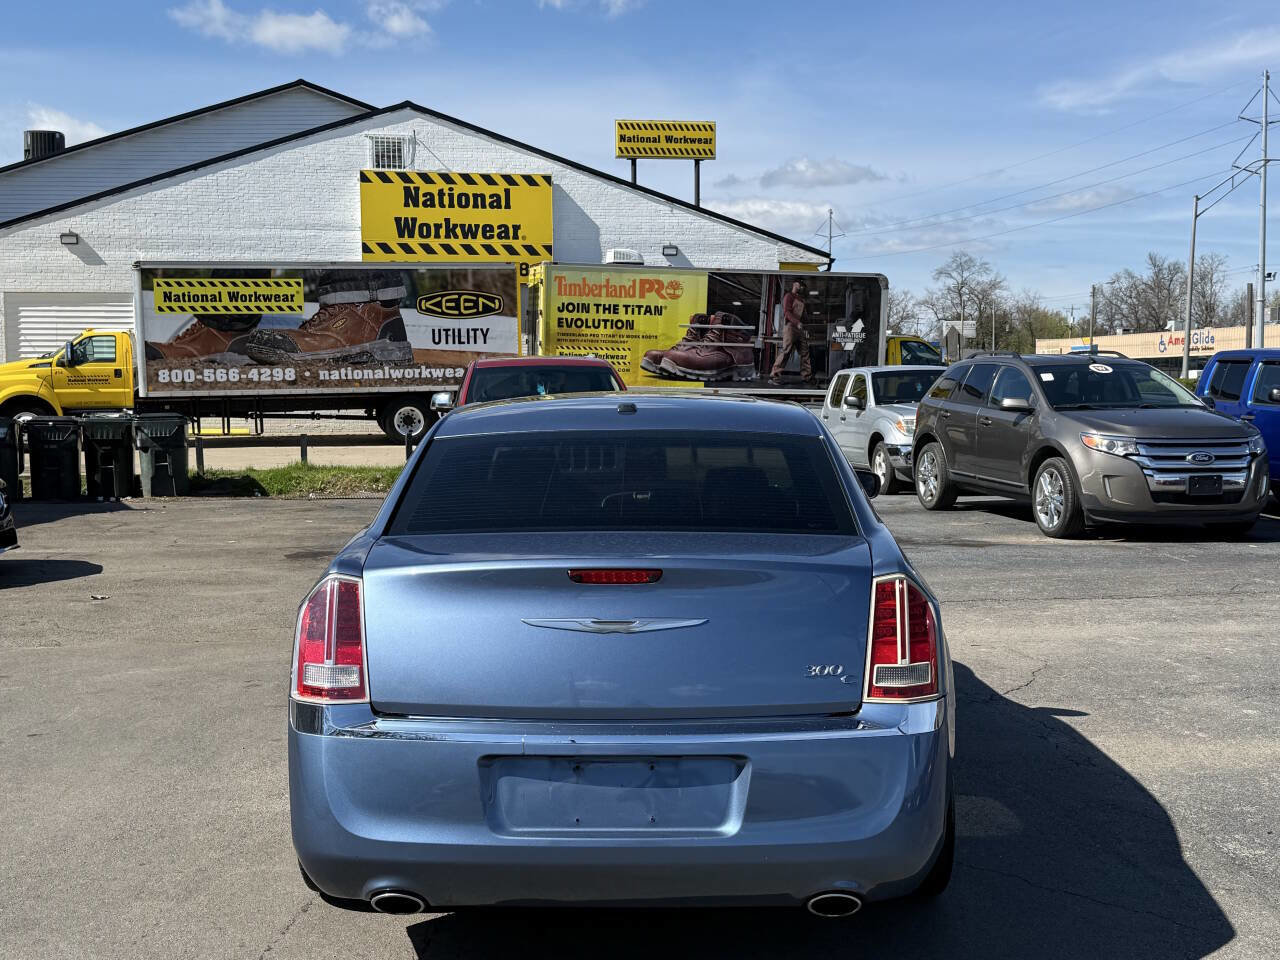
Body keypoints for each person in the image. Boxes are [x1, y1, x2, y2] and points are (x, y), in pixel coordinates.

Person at [769, 279, 811, 384]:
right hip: (791, 327)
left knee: (805, 352)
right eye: (799, 285)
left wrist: (806, 321)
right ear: (794, 284)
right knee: (786, 350)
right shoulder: (789, 296)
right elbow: (787, 312)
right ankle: (775, 375)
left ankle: (807, 376)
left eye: (802, 286)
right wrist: (797, 322)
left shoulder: (801, 299)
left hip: (800, 328)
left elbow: (804, 316)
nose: (801, 287)